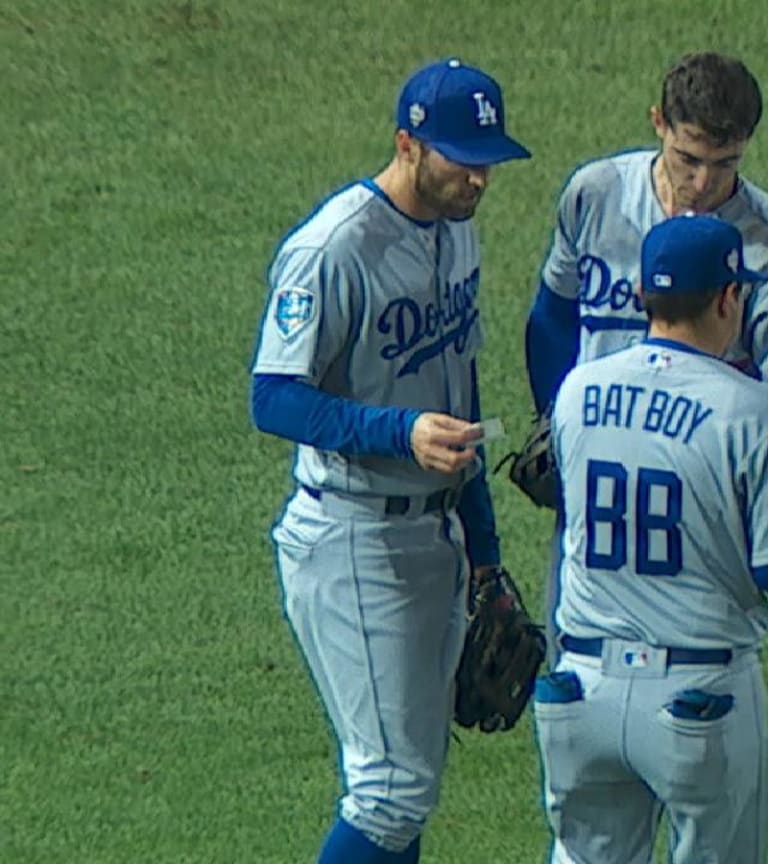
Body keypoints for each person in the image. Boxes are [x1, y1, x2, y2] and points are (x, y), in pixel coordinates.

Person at [248, 58, 530, 864]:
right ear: (407, 144)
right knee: (390, 788)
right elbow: (273, 398)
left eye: (486, 160)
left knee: (408, 787)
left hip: (435, 537)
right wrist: (398, 431)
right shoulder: (332, 248)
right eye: (459, 158)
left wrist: (485, 555)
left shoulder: (458, 230)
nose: (478, 178)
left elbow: (463, 392)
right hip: (353, 536)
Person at [521, 51, 768, 658]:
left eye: (725, 165)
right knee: (579, 647)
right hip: (603, 473)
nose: (703, 184)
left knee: (699, 653)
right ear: (658, 122)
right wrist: (554, 423)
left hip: (702, 486)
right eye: (689, 160)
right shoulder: (595, 195)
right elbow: (553, 316)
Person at [533, 213, 768, 864]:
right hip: (698, 697)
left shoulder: (576, 391)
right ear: (728, 298)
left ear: (643, 299)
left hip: (581, 692)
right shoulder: (755, 409)